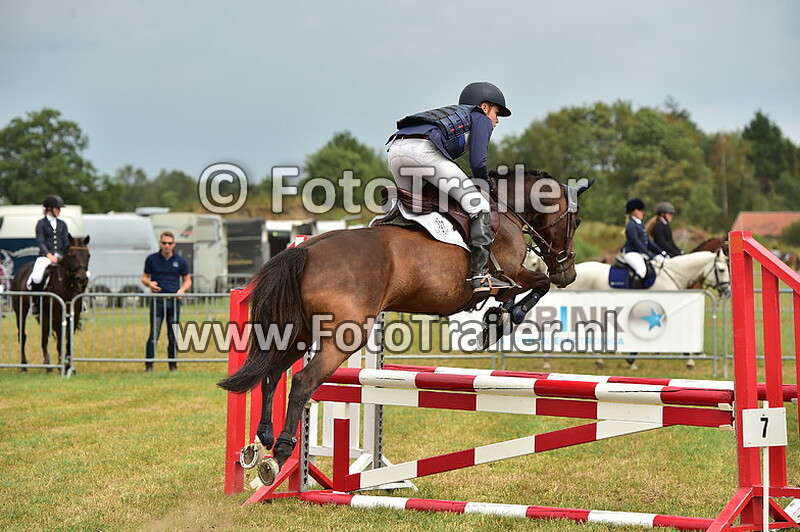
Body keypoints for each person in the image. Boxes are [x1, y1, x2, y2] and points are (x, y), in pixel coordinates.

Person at [386, 81, 512, 293]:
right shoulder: (479, 118)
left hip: (396, 150)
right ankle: (480, 275)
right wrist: (487, 185)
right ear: (484, 106)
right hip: (423, 151)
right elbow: (478, 162)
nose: (497, 121)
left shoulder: (453, 114)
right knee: (479, 207)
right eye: (496, 113)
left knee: (412, 209)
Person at [141, 231, 191, 372]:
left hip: (173, 302)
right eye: (164, 243)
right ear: (160, 244)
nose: (167, 246)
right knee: (154, 334)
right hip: (157, 301)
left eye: (169, 243)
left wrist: (182, 290)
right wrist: (149, 284)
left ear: (174, 244)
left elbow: (187, 279)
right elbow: (144, 278)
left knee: (173, 334)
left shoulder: (180, 261)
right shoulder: (151, 259)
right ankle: (149, 366)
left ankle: (173, 365)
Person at [27, 195, 71, 315]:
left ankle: (79, 302)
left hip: (61, 256)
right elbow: (40, 241)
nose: (59, 210)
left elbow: (66, 242)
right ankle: (36, 304)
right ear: (49, 209)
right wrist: (48, 255)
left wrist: (63, 255)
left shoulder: (62, 224)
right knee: (36, 277)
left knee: (81, 274)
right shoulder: (41, 224)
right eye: (57, 208)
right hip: (45, 256)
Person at [622, 198, 666, 288]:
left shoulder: (640, 224)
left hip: (639, 252)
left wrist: (661, 251)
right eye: (640, 210)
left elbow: (648, 241)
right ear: (634, 211)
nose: (643, 212)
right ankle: (634, 293)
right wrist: (647, 253)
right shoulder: (631, 225)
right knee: (641, 270)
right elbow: (635, 242)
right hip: (631, 252)